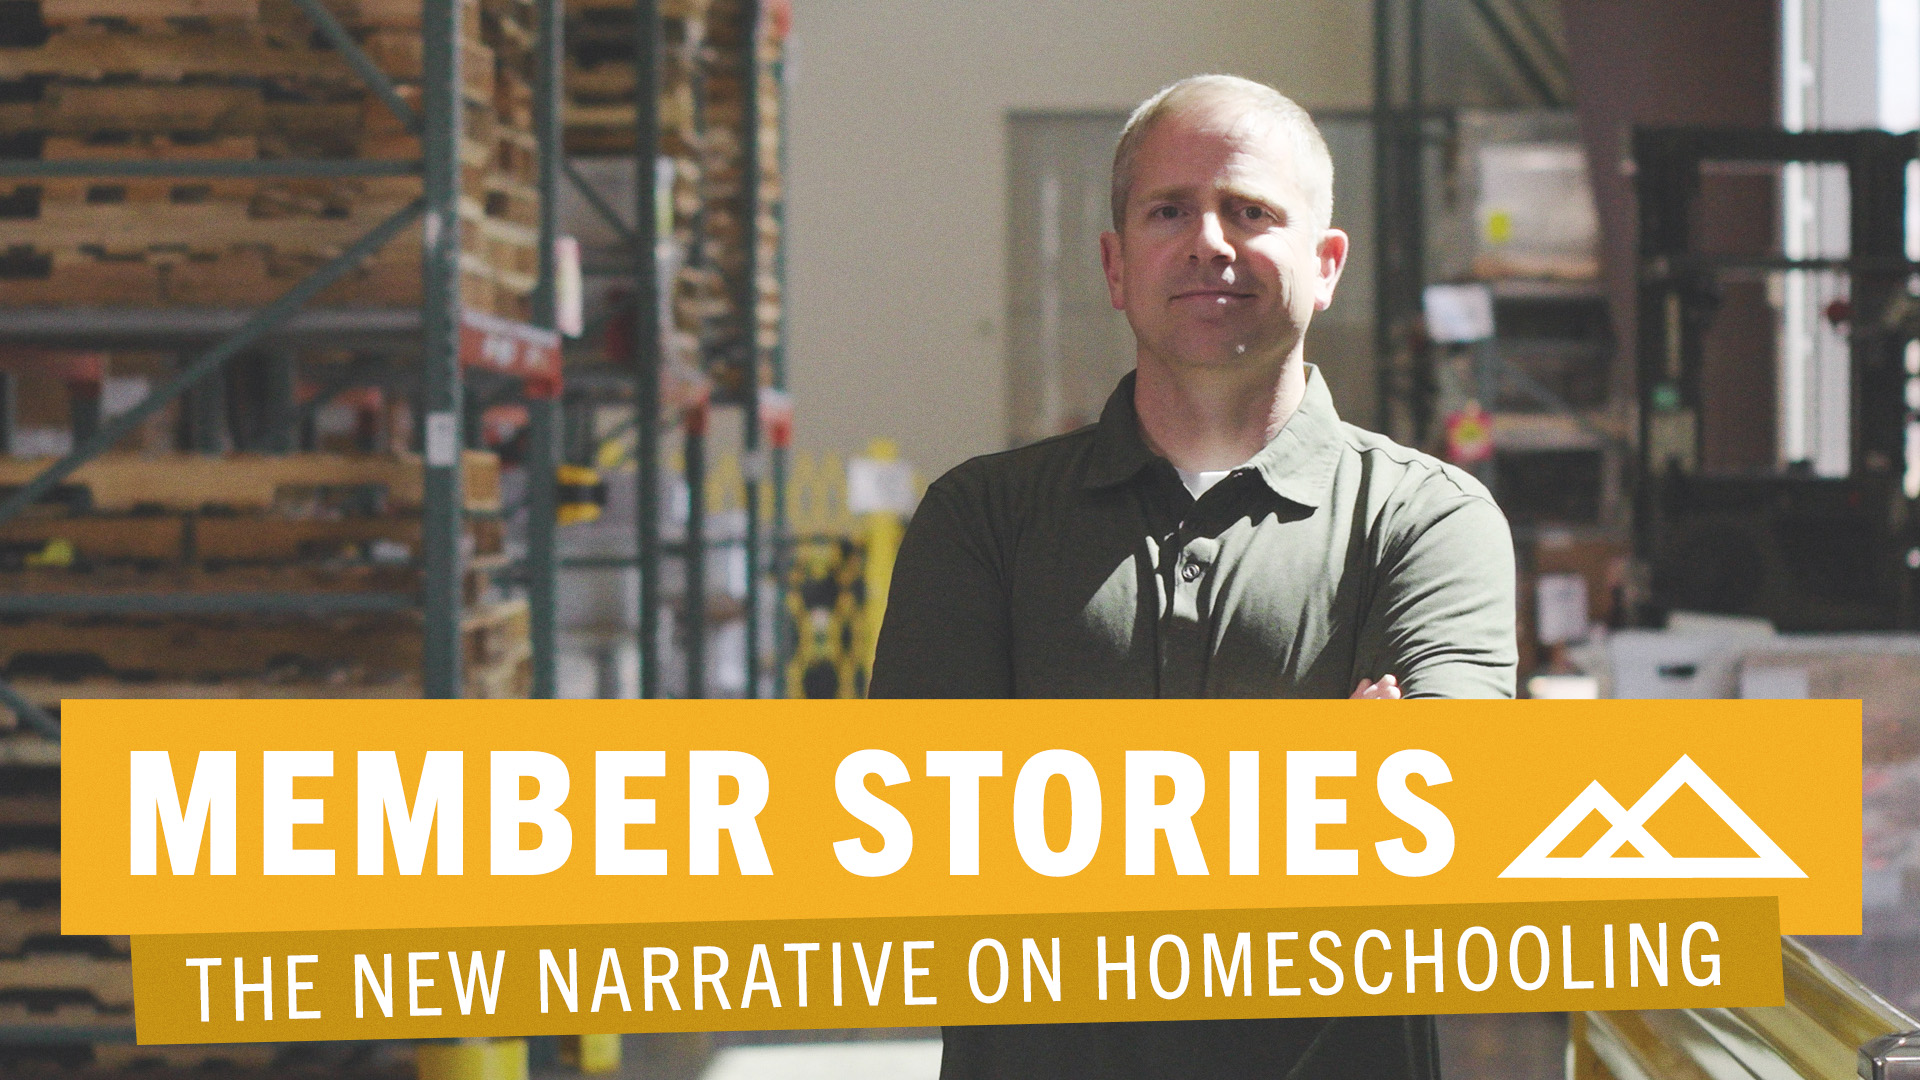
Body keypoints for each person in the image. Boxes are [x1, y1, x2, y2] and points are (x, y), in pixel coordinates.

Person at [870, 74, 1515, 1079]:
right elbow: (916, 836)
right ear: (1117, 264)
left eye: (1251, 211)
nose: (1210, 240)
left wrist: (1053, 801)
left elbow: (1441, 820)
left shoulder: (1426, 520)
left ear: (1326, 261)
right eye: (1170, 210)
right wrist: (1317, 790)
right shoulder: (981, 521)